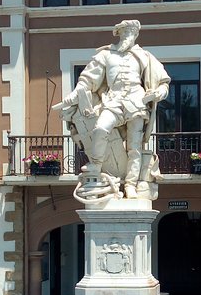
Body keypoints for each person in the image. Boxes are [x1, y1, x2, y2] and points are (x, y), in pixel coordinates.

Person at [53, 20, 170, 199]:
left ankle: (130, 185)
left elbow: (163, 82)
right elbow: (87, 80)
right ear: (119, 33)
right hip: (113, 100)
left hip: (137, 101)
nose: (129, 35)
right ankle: (97, 165)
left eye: (132, 32)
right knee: (100, 128)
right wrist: (76, 93)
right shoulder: (105, 55)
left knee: (134, 147)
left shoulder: (144, 56)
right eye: (126, 32)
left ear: (136, 35)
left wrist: (158, 93)